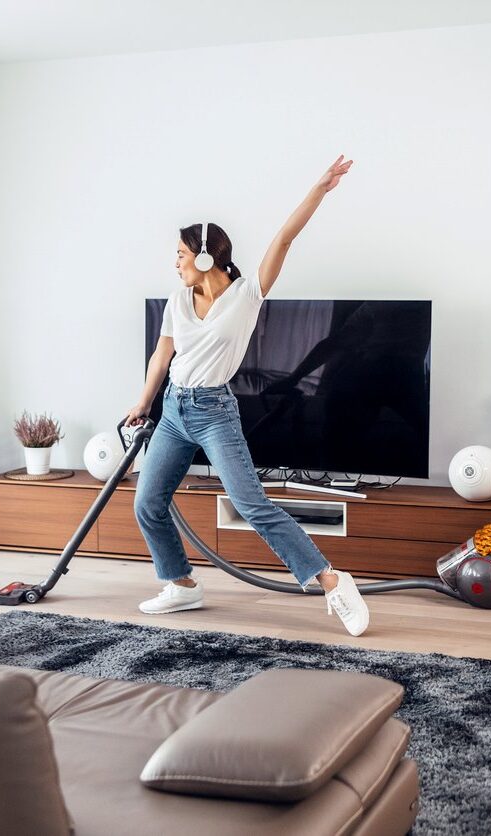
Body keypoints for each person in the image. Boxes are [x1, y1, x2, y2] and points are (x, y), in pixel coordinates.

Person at [123, 155, 370, 636]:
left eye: (178, 254)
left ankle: (333, 580)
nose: (173, 263)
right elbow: (161, 356)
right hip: (174, 408)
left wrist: (319, 188)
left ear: (202, 256)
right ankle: (181, 585)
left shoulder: (247, 294)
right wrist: (142, 402)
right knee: (148, 502)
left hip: (215, 411)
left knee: (251, 504)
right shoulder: (177, 300)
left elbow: (283, 239)